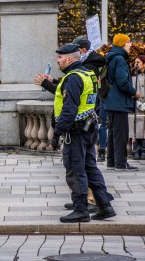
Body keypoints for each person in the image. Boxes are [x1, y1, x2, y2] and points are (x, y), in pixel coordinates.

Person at [51, 43, 115, 223]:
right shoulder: (88, 74)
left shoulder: (73, 78)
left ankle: (80, 209)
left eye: (60, 58)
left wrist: (58, 132)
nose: (58, 60)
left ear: (69, 59)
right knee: (90, 167)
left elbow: (69, 109)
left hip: (76, 131)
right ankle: (105, 206)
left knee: (75, 169)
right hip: (89, 127)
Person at [105, 33, 140, 171]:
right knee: (121, 134)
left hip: (111, 101)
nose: (130, 44)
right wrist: (134, 92)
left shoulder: (112, 57)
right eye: (128, 42)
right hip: (119, 101)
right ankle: (120, 163)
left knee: (113, 132)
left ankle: (111, 162)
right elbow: (123, 82)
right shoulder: (119, 59)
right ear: (122, 44)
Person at [72, 35, 107, 162]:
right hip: (92, 101)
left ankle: (99, 151)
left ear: (83, 50)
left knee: (94, 126)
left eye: (76, 49)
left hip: (90, 103)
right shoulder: (87, 62)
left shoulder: (89, 65)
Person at [129, 55, 145, 160]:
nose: (136, 65)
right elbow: (130, 92)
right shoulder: (132, 77)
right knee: (136, 127)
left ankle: (143, 149)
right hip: (136, 106)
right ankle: (136, 149)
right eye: (135, 62)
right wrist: (137, 103)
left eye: (138, 62)